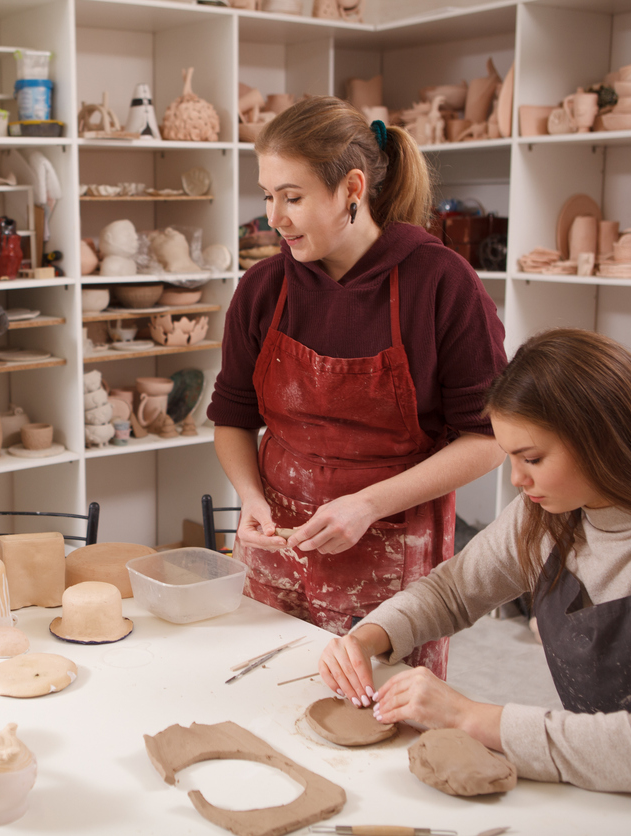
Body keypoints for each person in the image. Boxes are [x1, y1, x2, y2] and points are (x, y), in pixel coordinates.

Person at [319, 329, 631, 804]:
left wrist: (469, 716)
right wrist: (366, 637)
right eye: (511, 458)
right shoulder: (546, 515)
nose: (518, 480)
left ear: (603, 439)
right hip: (609, 784)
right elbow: (452, 592)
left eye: (533, 458)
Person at [208, 96, 507, 677]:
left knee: (376, 719)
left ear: (352, 188)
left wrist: (369, 504)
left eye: (292, 197)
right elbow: (233, 417)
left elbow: (490, 439)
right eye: (267, 195)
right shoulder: (263, 287)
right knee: (264, 699)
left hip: (391, 550)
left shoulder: (441, 282)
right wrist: (249, 497)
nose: (275, 217)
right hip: (279, 545)